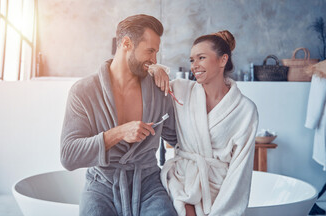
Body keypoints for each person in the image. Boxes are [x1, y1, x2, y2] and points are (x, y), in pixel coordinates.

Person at [60, 14, 178, 216]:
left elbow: (180, 139)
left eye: (156, 52)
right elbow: (69, 156)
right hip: (101, 185)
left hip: (149, 185)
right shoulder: (84, 91)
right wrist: (119, 133)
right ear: (126, 43)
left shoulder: (159, 90)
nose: (154, 60)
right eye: (150, 51)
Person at [149, 30, 259, 216]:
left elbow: (240, 171)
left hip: (219, 188)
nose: (194, 66)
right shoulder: (181, 90)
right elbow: (140, 77)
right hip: (181, 179)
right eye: (192, 60)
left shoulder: (245, 110)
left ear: (223, 60)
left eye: (201, 58)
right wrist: (157, 69)